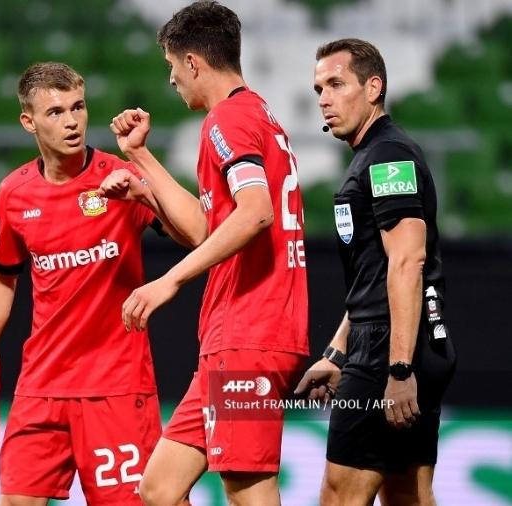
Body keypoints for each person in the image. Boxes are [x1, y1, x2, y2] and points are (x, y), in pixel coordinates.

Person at [107, 2, 310, 504]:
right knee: (158, 489)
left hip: (249, 333)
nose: (172, 80)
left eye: (173, 67)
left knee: (248, 494)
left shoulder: (227, 121)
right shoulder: (254, 113)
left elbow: (256, 212)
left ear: (193, 62)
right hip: (236, 335)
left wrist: (169, 280)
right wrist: (141, 160)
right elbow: (207, 229)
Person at [0, 61, 189, 506]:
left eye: (78, 107)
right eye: (55, 112)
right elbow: (2, 280)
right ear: (28, 121)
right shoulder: (13, 194)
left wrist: (144, 193)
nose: (71, 121)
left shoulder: (119, 174)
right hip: (41, 386)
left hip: (115, 386)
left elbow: (196, 235)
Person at [294, 38, 456, 506]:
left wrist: (399, 369)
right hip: (398, 339)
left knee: (340, 494)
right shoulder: (373, 156)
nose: (323, 98)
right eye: (318, 87)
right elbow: (375, 274)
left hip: (392, 346)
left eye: (337, 84)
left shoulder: (387, 157)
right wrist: (337, 352)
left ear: (373, 87)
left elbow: (408, 262)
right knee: (407, 493)